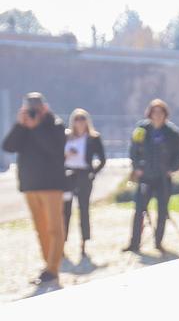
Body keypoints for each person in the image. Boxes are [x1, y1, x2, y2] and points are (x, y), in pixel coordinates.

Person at [3, 92, 67, 287]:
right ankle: (47, 266)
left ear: (44, 108)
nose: (33, 111)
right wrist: (19, 125)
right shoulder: (23, 126)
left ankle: (53, 269)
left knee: (54, 228)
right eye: (29, 107)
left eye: (36, 107)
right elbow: (8, 146)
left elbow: (54, 150)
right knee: (41, 229)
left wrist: (37, 127)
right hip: (30, 185)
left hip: (51, 185)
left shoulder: (55, 125)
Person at [127, 99, 179, 253]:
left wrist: (172, 168)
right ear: (150, 114)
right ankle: (134, 243)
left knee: (162, 210)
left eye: (160, 112)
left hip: (163, 178)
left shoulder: (172, 132)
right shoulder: (141, 129)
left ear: (165, 114)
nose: (157, 115)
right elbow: (133, 150)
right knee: (139, 209)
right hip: (145, 176)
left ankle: (158, 242)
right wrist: (137, 167)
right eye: (154, 112)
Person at [62, 109, 107, 261]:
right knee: (65, 211)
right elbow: (57, 155)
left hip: (83, 176)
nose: (80, 123)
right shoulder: (66, 137)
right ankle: (62, 243)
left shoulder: (93, 138)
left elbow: (102, 159)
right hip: (67, 176)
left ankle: (83, 243)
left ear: (86, 121)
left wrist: (93, 173)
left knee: (84, 210)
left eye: (82, 120)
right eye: (77, 119)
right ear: (73, 122)